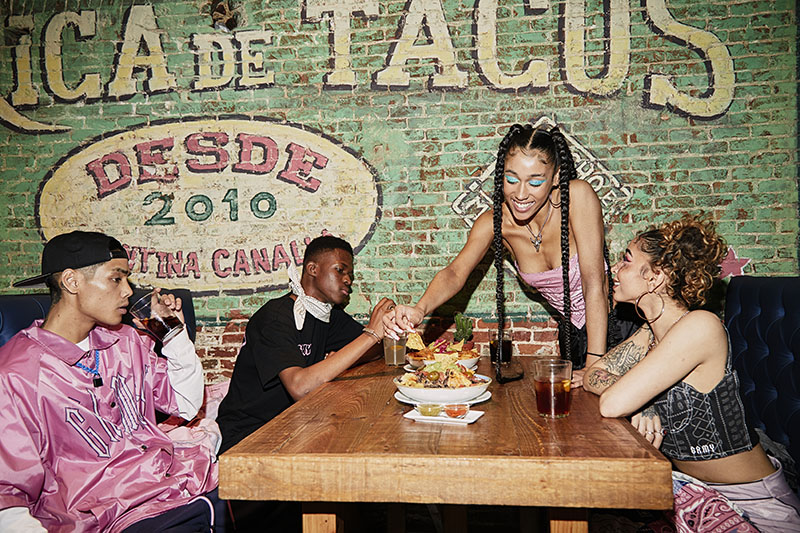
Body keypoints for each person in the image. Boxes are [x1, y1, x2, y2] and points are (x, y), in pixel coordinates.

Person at [586, 215, 800, 532]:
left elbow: (610, 404)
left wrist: (634, 400)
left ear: (655, 277)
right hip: (693, 497)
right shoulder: (649, 332)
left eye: (626, 260)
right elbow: (594, 374)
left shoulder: (700, 326)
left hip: (754, 507)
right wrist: (640, 402)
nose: (615, 269)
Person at [0, 231, 223, 533]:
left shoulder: (126, 342)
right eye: (116, 279)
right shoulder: (16, 374)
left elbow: (185, 404)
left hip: (175, 486)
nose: (128, 291)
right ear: (72, 281)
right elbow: (8, 499)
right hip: (106, 518)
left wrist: (174, 335)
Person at [385, 123, 628, 385]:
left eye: (535, 182)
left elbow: (594, 283)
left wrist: (594, 364)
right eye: (511, 180)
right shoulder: (495, 223)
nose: (520, 194)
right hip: (573, 340)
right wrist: (419, 309)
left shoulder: (577, 197)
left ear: (556, 177)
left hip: (618, 330)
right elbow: (454, 272)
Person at [217, 235, 394, 454]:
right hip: (249, 436)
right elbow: (300, 388)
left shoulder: (328, 315)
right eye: (340, 270)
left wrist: (342, 357)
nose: (348, 279)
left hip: (296, 425)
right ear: (312, 269)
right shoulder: (276, 318)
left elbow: (377, 349)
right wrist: (370, 335)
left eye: (350, 274)